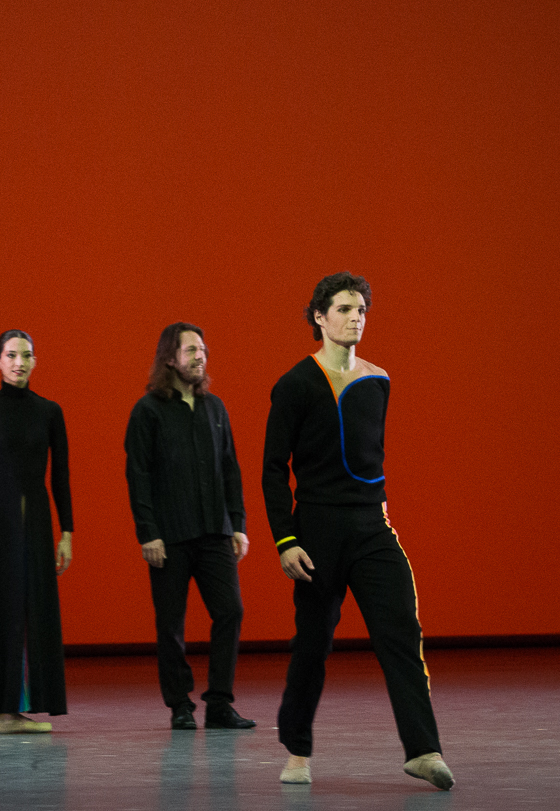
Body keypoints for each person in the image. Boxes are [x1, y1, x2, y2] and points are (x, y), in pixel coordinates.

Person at [263, 272, 453, 790]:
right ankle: (297, 752)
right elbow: (274, 470)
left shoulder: (378, 381)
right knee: (312, 646)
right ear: (320, 317)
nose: (355, 318)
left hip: (372, 527)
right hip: (317, 532)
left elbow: (372, 458)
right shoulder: (295, 384)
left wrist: (379, 512)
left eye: (361, 310)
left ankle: (424, 750)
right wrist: (286, 540)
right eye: (345, 309)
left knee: (401, 633)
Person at [125, 323, 255, 730]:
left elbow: (230, 469)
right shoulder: (148, 411)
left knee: (231, 611)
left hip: (216, 531)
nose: (201, 356)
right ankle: (179, 704)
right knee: (171, 624)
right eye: (191, 350)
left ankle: (219, 703)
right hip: (169, 537)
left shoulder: (215, 408)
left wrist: (238, 524)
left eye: (203, 349)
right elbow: (138, 476)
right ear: (170, 358)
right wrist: (148, 532)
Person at [0, 330, 74, 734]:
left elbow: (60, 476)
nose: (19, 363)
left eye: (26, 355)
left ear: (35, 361)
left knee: (33, 611)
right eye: (11, 355)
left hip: (38, 526)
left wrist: (67, 532)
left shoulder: (49, 412)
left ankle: (11, 709)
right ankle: (1, 711)